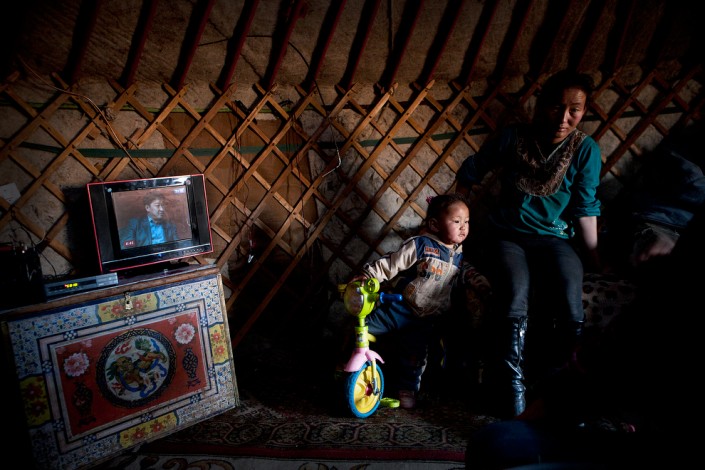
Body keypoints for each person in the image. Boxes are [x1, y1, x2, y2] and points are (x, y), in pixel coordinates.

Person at [455, 69, 603, 418]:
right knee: (516, 292)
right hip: (509, 236)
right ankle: (513, 391)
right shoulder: (514, 137)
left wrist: (596, 258)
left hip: (556, 239)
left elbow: (585, 207)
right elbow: (472, 170)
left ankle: (561, 393)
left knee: (570, 295)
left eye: (574, 110)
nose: (563, 118)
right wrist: (456, 222)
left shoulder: (585, 149)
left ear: (584, 111)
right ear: (541, 105)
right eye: (556, 107)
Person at [350, 193, 478, 409]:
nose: (463, 227)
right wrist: (368, 275)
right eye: (457, 221)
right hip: (400, 307)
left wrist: (482, 285)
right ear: (435, 225)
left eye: (466, 221)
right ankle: (350, 368)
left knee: (415, 356)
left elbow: (468, 275)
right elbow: (392, 263)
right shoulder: (421, 245)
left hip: (425, 318)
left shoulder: (459, 255)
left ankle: (407, 390)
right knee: (363, 330)